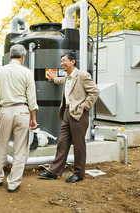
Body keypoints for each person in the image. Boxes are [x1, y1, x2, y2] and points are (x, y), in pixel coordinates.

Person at [38, 52, 100, 183]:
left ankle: (79, 174)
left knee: (79, 145)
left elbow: (94, 91)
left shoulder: (82, 75)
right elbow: (62, 81)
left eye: (64, 61)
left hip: (78, 113)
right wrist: (54, 78)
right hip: (67, 112)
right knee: (62, 142)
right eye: (61, 61)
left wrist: (84, 106)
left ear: (73, 62)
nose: (62, 64)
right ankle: (54, 171)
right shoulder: (67, 77)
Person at [0, 44, 38, 193]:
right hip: (22, 110)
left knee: (1, 144)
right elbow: (31, 97)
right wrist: (33, 118)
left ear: (9, 57)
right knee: (20, 148)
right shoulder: (27, 72)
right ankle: (13, 183)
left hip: (4, 110)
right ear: (23, 56)